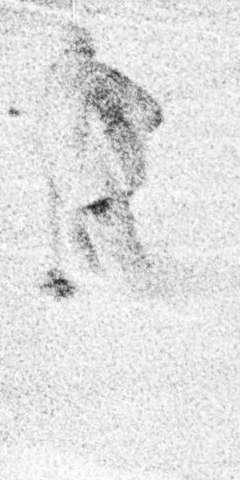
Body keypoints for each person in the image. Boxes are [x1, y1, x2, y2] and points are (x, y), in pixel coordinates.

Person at [28, 24, 163, 291]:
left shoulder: (48, 82)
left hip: (62, 180)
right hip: (97, 179)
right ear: (88, 47)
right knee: (122, 245)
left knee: (81, 251)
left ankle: (92, 297)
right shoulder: (100, 74)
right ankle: (144, 295)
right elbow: (151, 112)